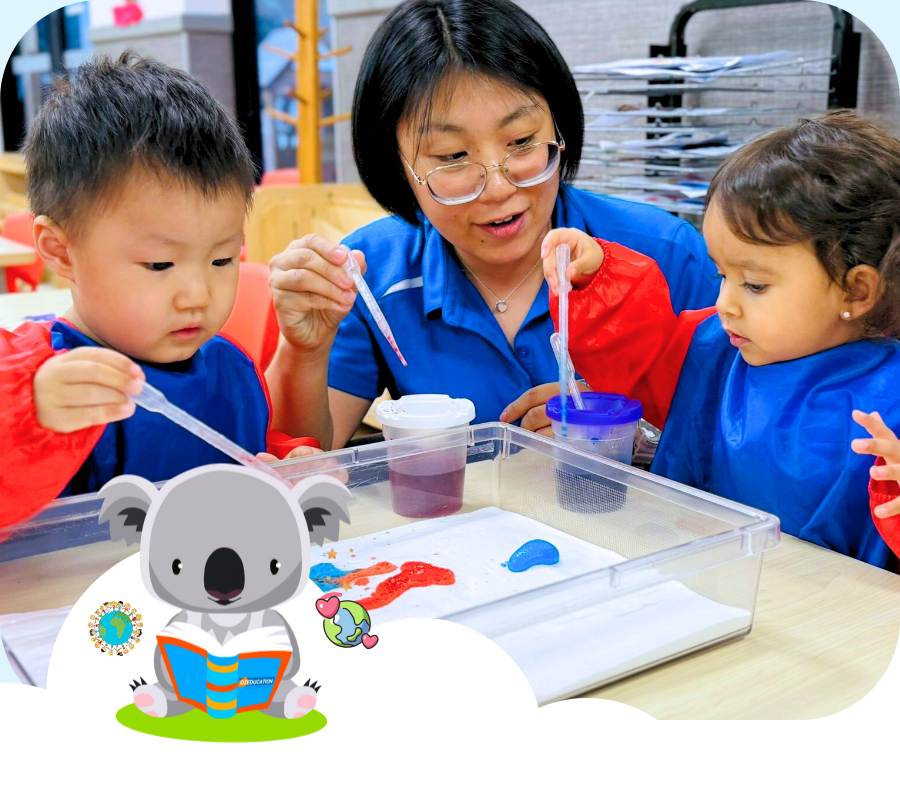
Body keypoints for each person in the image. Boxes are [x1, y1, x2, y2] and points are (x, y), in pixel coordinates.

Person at [265, 0, 719, 451]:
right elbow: (303, 456)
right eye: (452, 156)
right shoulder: (371, 273)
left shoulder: (667, 255)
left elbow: (734, 433)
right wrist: (304, 351)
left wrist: (631, 434)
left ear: (558, 127)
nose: (498, 188)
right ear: (396, 164)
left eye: (521, 141)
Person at [540, 111, 900, 569]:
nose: (725, 303)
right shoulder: (714, 350)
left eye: (755, 285)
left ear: (857, 290)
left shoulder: (891, 401)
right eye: (721, 275)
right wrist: (598, 279)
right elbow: (637, 355)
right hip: (696, 578)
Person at [0, 53, 319, 532]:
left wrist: (289, 465)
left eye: (222, 260)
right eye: (159, 265)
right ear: (61, 251)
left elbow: (238, 451)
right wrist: (28, 417)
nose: (197, 295)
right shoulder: (34, 374)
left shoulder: (229, 368)